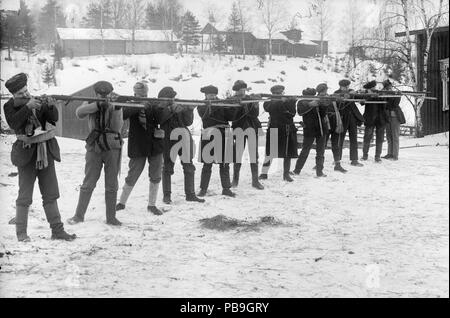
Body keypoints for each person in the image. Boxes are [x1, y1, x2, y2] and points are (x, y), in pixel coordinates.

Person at [3, 72, 76, 241]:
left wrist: (50, 106)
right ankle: (21, 233)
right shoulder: (9, 106)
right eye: (20, 94)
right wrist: (28, 106)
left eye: (25, 91)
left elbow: (54, 119)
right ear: (13, 95)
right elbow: (14, 123)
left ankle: (57, 231)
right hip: (26, 153)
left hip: (45, 150)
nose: (25, 95)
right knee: (25, 195)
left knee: (50, 193)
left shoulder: (36, 100)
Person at [68, 81, 124, 226]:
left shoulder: (116, 101)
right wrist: (97, 105)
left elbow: (117, 126)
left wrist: (115, 107)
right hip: (94, 147)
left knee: (112, 184)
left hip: (112, 146)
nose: (104, 96)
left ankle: (111, 218)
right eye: (101, 94)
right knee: (88, 182)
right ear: (96, 94)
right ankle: (78, 216)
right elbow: (79, 113)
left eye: (107, 94)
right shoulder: (91, 102)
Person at [115, 82, 164, 215]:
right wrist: (139, 106)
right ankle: (122, 202)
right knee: (133, 174)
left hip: (155, 144)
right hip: (138, 144)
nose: (143, 96)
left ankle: (152, 205)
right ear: (135, 93)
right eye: (141, 94)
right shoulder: (130, 103)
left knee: (155, 175)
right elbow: (123, 114)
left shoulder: (152, 103)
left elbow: (160, 119)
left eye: (145, 94)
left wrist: (160, 107)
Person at [157, 87, 205, 204]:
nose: (172, 99)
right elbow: (159, 119)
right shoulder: (158, 107)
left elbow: (188, 122)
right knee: (167, 167)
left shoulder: (179, 105)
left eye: (173, 97)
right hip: (168, 139)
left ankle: (190, 194)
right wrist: (171, 110)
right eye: (170, 98)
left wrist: (189, 110)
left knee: (188, 166)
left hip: (183, 137)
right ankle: (167, 196)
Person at [197, 85, 236, 197]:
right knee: (207, 164)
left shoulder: (223, 103)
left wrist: (231, 106)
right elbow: (204, 115)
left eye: (214, 95)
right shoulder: (202, 105)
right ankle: (203, 189)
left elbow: (231, 117)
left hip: (224, 134)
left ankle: (226, 189)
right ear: (205, 95)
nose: (212, 97)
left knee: (225, 164)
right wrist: (219, 104)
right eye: (210, 95)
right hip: (209, 135)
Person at [229, 80, 264, 190]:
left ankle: (255, 181)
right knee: (238, 155)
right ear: (236, 91)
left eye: (244, 89)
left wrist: (255, 104)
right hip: (239, 129)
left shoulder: (250, 98)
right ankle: (235, 180)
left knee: (254, 155)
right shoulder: (230, 100)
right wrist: (238, 106)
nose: (243, 92)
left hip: (252, 129)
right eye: (240, 90)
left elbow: (255, 115)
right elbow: (231, 116)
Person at [259, 85, 298, 182]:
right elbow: (269, 108)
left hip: (286, 129)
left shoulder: (288, 101)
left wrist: (292, 101)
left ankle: (286, 175)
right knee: (269, 153)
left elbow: (292, 113)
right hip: (274, 128)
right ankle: (264, 173)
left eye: (280, 93)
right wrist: (281, 101)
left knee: (287, 154)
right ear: (272, 94)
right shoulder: (269, 102)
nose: (278, 95)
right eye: (276, 93)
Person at [293, 88, 328, 177]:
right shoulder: (301, 102)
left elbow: (323, 114)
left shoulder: (318, 100)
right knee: (305, 150)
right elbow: (300, 112)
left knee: (320, 152)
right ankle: (297, 170)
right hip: (309, 129)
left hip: (320, 128)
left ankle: (319, 172)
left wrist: (323, 105)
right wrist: (310, 105)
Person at [334, 79, 365, 167]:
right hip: (342, 118)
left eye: (347, 86)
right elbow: (336, 104)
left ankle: (354, 160)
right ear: (341, 86)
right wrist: (344, 98)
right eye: (345, 87)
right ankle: (337, 159)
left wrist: (356, 94)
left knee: (354, 139)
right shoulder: (336, 93)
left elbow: (362, 101)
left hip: (352, 118)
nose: (347, 88)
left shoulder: (351, 92)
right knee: (340, 139)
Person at [321, 83, 347, 173]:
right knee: (323, 144)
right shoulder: (320, 99)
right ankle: (319, 163)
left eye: (325, 90)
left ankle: (337, 164)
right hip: (326, 123)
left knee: (335, 145)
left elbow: (340, 104)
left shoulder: (330, 97)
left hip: (335, 121)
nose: (325, 92)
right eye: (324, 90)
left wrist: (340, 99)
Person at [361, 80, 389, 162]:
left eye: (373, 87)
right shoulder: (366, 94)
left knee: (380, 139)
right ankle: (364, 155)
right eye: (371, 88)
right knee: (367, 138)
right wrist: (369, 95)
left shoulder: (379, 93)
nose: (373, 89)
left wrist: (379, 96)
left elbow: (385, 103)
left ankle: (377, 157)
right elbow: (362, 102)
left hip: (380, 119)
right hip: (370, 119)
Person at [382, 79, 405, 161]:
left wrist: (397, 95)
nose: (388, 88)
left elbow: (395, 104)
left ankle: (395, 155)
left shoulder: (394, 94)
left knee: (395, 136)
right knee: (389, 136)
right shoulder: (383, 94)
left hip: (395, 116)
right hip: (387, 117)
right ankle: (389, 153)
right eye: (386, 87)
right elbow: (384, 104)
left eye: (389, 87)